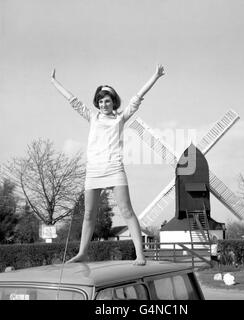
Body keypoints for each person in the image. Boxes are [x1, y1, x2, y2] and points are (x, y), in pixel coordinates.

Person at [51, 65, 165, 265]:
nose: (104, 104)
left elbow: (137, 97)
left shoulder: (121, 118)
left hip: (114, 169)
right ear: (97, 103)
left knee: (127, 210)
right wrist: (54, 82)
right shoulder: (92, 117)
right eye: (101, 101)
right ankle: (82, 253)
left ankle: (140, 254)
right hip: (93, 170)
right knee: (88, 214)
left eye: (108, 101)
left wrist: (155, 76)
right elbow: (73, 101)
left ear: (114, 102)